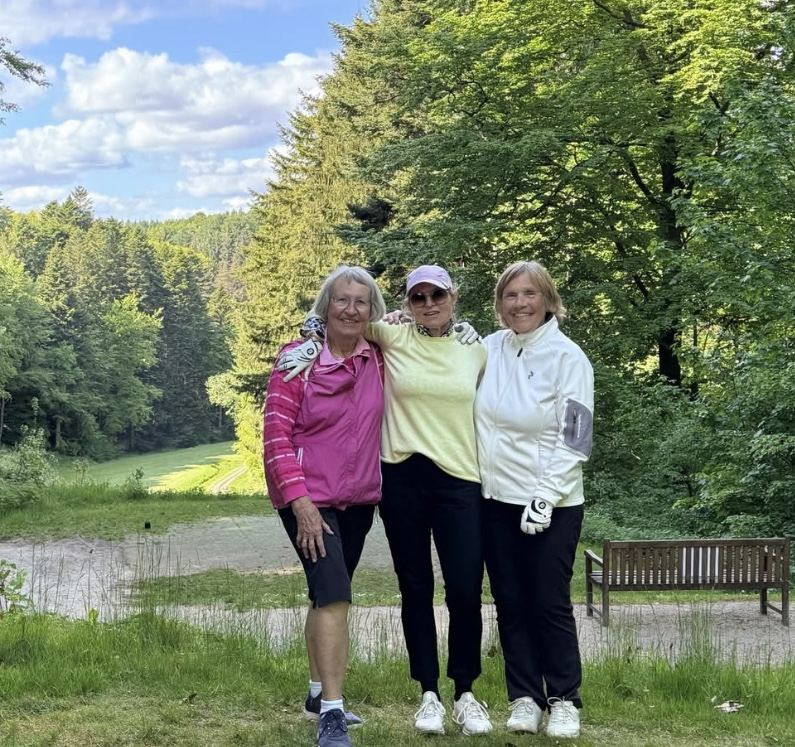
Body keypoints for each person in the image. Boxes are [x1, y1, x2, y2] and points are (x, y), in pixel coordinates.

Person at [279, 265, 492, 737]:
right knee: (414, 587)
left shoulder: (477, 349)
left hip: (460, 479)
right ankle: (428, 694)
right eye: (418, 297)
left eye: (437, 295)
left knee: (464, 589)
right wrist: (318, 332)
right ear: (406, 303)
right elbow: (331, 322)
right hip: (401, 479)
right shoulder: (389, 337)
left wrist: (468, 328)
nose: (429, 304)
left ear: (454, 297)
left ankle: (465, 692)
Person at [263, 264, 387, 747]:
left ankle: (317, 693)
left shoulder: (378, 358)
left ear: (371, 310)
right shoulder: (297, 360)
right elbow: (275, 436)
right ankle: (332, 713)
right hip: (307, 498)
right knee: (335, 593)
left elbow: (417, 331)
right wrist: (300, 503)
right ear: (326, 306)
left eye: (361, 302)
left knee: (324, 593)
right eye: (341, 300)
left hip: (359, 498)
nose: (350, 310)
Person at [474, 261, 593, 739]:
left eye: (529, 294)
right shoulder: (488, 348)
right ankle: (524, 697)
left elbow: (576, 439)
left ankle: (564, 699)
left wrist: (544, 495)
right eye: (510, 295)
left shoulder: (568, 358)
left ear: (547, 299)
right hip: (495, 500)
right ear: (499, 303)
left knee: (548, 602)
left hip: (552, 504)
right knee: (510, 601)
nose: (519, 303)